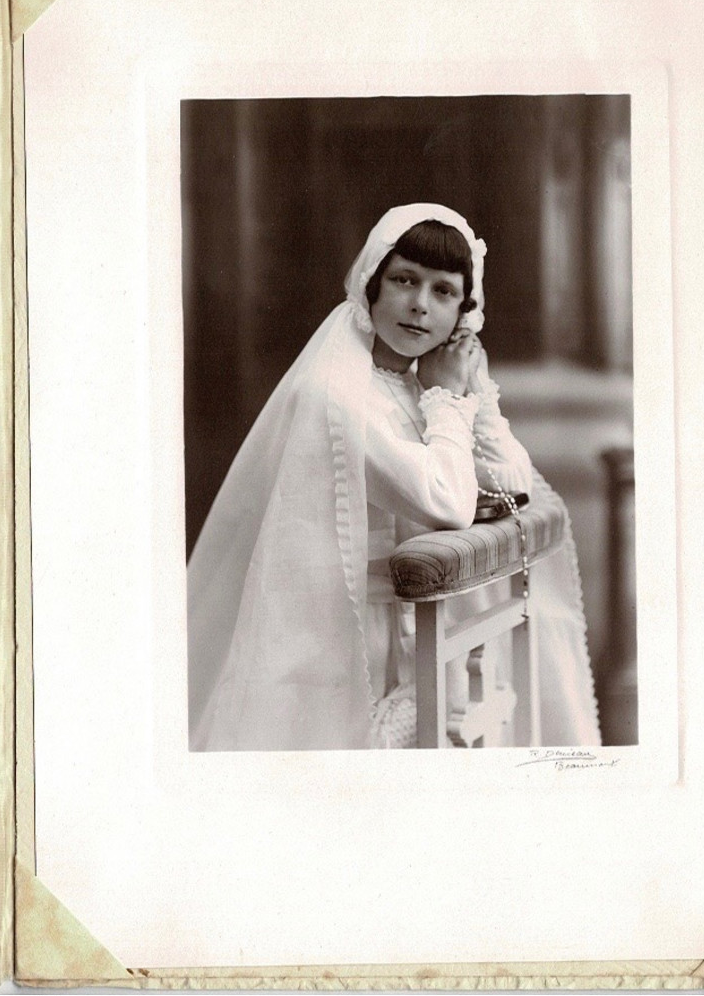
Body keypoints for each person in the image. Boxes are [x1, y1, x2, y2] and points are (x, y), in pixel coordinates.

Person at [188, 203, 600, 750]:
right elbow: (449, 501)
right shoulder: (338, 395)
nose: (419, 306)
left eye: (444, 292)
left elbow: (509, 480)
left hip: (423, 626)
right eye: (405, 280)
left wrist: (473, 388)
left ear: (465, 315)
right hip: (345, 634)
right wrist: (450, 397)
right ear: (372, 286)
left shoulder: (418, 383)